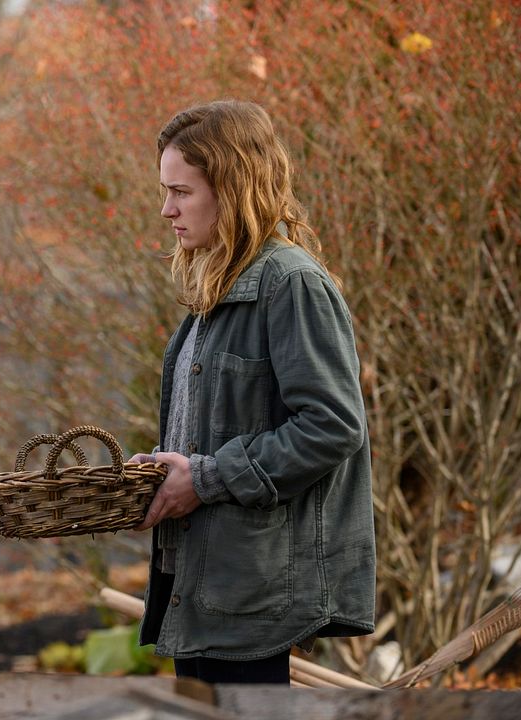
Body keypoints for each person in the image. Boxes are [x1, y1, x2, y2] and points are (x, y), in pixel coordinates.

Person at [128, 100, 375, 684]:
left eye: (181, 192)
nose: (167, 209)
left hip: (256, 589)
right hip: (206, 585)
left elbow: (332, 426)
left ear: (233, 187)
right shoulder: (215, 293)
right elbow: (208, 436)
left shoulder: (292, 284)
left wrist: (206, 478)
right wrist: (159, 476)